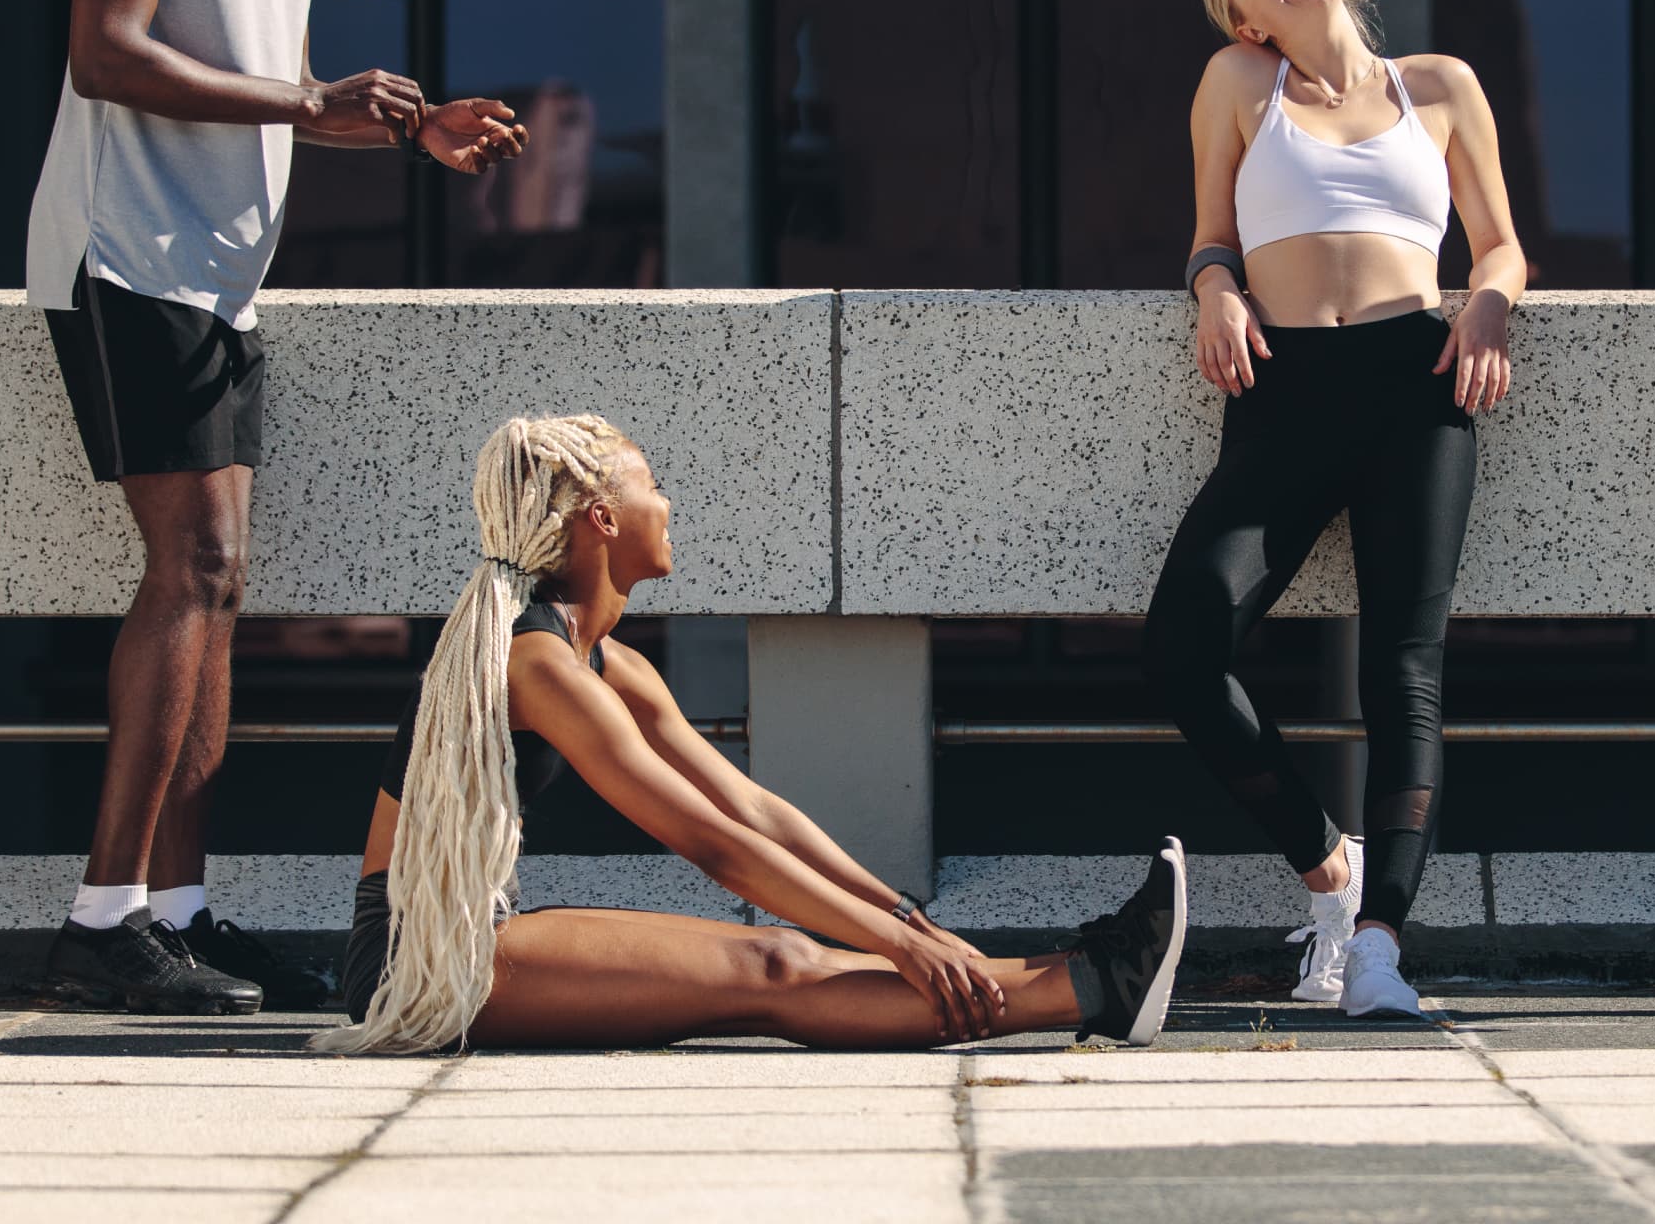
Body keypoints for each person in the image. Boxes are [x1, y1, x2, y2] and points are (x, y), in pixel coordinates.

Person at [25, 0, 530, 1014]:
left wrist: (403, 132)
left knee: (221, 584)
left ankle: (175, 914)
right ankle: (99, 923)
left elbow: (279, 87)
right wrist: (311, 101)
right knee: (189, 570)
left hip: (217, 274)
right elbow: (105, 52)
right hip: (125, 256)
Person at [313, 415, 1187, 1053]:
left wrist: (900, 914)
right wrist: (895, 946)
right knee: (771, 968)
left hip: (470, 934)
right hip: (414, 961)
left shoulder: (605, 661)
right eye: (650, 484)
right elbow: (710, 844)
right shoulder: (533, 662)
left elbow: (752, 809)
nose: (668, 502)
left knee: (790, 954)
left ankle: (1087, 975)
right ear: (601, 520)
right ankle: (1093, 984)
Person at [1144, 0, 1526, 1020]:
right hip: (1285, 389)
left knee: (1404, 672)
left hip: (1420, 380)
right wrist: (1216, 290)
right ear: (1245, 16)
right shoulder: (1238, 83)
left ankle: (1378, 949)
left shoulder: (1440, 86)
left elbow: (1498, 242)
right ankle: (1330, 867)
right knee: (1183, 644)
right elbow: (1211, 236)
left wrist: (1491, 303)